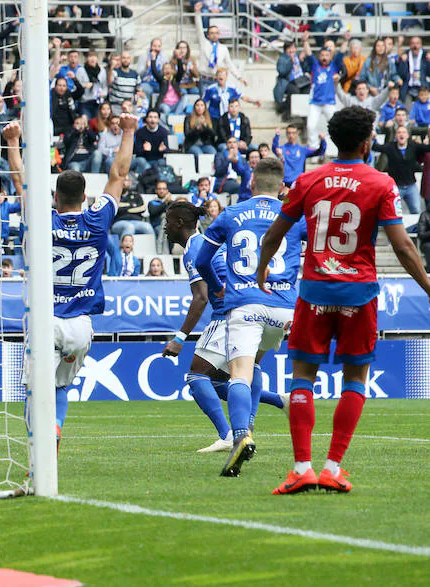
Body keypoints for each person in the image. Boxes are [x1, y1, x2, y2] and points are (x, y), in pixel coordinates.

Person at [257, 106, 430, 494]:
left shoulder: (308, 179)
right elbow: (402, 246)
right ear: (368, 142)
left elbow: (274, 235)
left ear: (335, 140)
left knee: (303, 376)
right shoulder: (381, 183)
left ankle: (302, 467)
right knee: (355, 378)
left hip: (315, 290)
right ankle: (333, 467)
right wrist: (428, 286)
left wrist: (261, 270)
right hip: (359, 292)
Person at [15, 115, 135, 451]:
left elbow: (20, 181)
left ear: (55, 197)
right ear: (85, 198)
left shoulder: (43, 218)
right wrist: (128, 131)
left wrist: (13, 144)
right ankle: (54, 426)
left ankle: (39, 446)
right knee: (60, 387)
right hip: (81, 326)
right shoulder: (98, 220)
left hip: (46, 320)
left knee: (35, 389)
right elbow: (119, 174)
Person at [195, 158, 307, 477]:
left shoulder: (231, 214)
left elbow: (203, 260)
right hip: (284, 308)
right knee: (256, 363)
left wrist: (218, 287)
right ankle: (258, 426)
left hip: (245, 304)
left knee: (239, 374)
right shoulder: (294, 216)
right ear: (283, 187)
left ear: (251, 183)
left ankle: (241, 435)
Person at [164, 200, 289, 453]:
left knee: (197, 375)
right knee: (231, 378)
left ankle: (228, 434)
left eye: (167, 221)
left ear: (179, 222)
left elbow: (200, 297)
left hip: (228, 314)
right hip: (263, 306)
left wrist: (179, 338)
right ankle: (279, 402)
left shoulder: (195, 247)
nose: (164, 228)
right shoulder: (203, 243)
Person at [371, 126, 430, 214]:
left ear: (407, 135)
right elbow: (376, 147)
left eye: (403, 132)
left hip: (411, 186)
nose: (401, 134)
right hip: (396, 187)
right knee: (392, 212)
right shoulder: (390, 147)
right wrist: (373, 137)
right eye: (399, 132)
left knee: (416, 211)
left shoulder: (413, 146)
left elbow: (427, 148)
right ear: (396, 136)